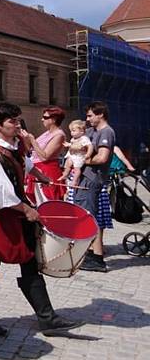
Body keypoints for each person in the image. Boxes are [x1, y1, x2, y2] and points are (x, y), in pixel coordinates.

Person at [0, 102, 81, 337]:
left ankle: (47, 318)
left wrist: (42, 177)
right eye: (12, 120)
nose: (17, 124)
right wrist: (27, 209)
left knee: (29, 260)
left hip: (18, 213)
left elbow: (25, 163)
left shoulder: (13, 145)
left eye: (18, 119)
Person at [74, 102, 116, 273]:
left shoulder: (107, 132)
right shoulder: (91, 131)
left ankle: (98, 260)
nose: (87, 119)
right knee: (87, 215)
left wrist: (81, 160)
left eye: (91, 115)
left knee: (89, 217)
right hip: (85, 178)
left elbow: (102, 158)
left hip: (93, 179)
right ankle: (91, 253)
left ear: (101, 115)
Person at [22, 105, 67, 202]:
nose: (42, 120)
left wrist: (33, 140)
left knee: (49, 202)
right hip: (37, 170)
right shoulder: (46, 133)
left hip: (48, 171)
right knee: (39, 203)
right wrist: (25, 139)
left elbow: (45, 157)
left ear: (54, 119)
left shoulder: (59, 135)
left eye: (45, 117)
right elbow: (31, 151)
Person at [60, 120, 93, 190]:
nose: (71, 133)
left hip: (79, 156)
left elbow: (90, 146)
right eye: (71, 131)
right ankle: (65, 174)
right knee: (67, 163)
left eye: (74, 130)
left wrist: (88, 154)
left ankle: (74, 180)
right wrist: (68, 144)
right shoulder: (73, 139)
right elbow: (73, 145)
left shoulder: (84, 138)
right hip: (72, 155)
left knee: (77, 169)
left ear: (81, 131)